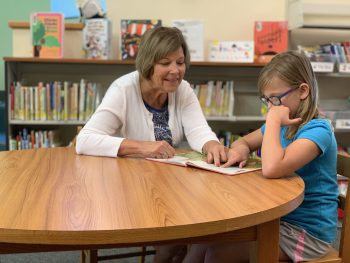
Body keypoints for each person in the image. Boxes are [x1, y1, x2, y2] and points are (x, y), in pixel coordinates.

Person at [75, 26, 227, 262]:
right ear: (148, 63)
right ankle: (170, 250)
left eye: (180, 62)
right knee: (186, 219)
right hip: (128, 187)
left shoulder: (183, 89)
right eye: (165, 63)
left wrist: (211, 145)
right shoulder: (123, 89)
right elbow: (84, 140)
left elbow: (198, 129)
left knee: (207, 208)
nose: (175, 71)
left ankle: (178, 250)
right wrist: (143, 146)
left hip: (167, 183)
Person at [183, 51, 339, 263]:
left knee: (217, 254)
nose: (270, 107)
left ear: (303, 91)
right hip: (277, 219)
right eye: (266, 99)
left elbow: (272, 168)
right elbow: (243, 141)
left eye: (275, 99)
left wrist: (273, 121)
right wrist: (241, 149)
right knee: (202, 243)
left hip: (307, 234)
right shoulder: (281, 126)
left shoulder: (318, 130)